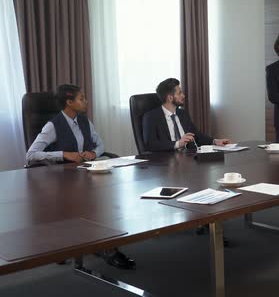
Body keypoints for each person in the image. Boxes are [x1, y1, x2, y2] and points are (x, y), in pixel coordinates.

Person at [25, 84, 136, 270]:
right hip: (60, 181)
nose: (86, 101)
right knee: (86, 206)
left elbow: (100, 144)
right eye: (81, 98)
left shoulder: (84, 121)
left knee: (105, 203)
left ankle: (102, 245)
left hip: (85, 176)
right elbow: (31, 154)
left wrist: (94, 152)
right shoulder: (52, 126)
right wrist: (63, 154)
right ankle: (106, 250)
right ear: (69, 102)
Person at [142, 78, 230, 152]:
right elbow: (150, 144)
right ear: (170, 97)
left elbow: (196, 135)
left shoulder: (182, 114)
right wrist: (178, 144)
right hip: (166, 164)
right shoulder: (151, 117)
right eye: (179, 93)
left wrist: (215, 141)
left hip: (189, 158)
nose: (183, 95)